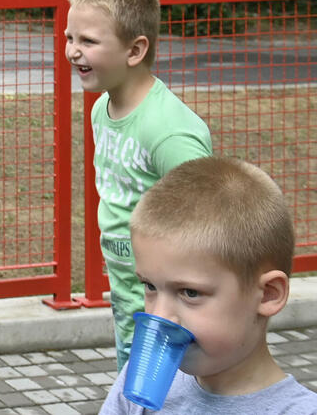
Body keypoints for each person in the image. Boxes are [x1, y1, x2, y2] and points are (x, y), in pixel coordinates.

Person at [65, 0, 212, 371]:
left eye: (88, 41)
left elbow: (209, 225)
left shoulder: (169, 131)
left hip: (166, 315)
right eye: (69, 38)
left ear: (135, 50)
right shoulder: (102, 110)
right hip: (126, 298)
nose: (72, 51)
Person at [100, 156, 317, 413]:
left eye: (189, 293)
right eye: (150, 286)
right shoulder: (138, 386)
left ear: (268, 295)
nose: (160, 317)